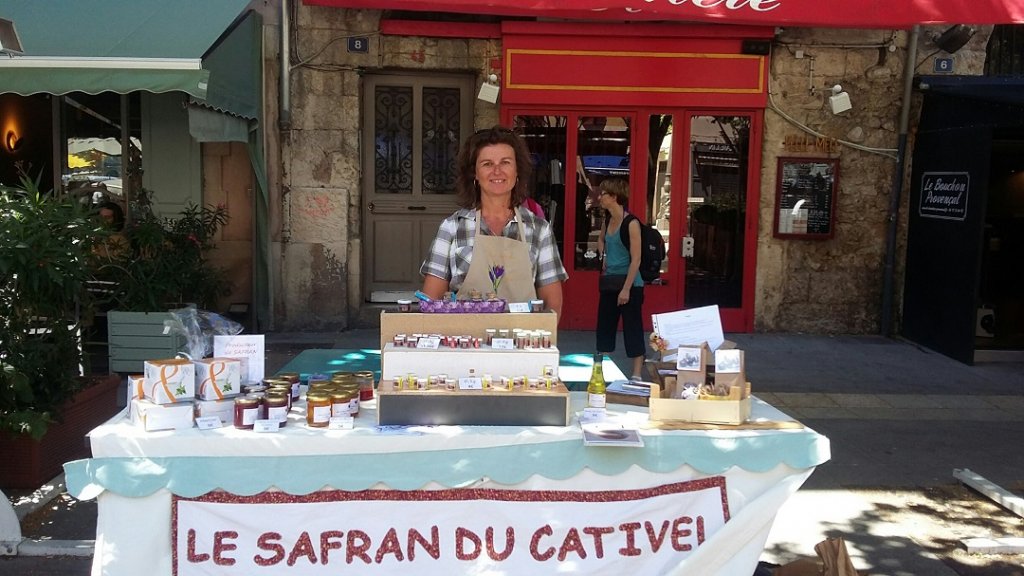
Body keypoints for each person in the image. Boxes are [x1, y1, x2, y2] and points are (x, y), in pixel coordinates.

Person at [420, 126, 568, 317]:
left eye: (505, 162)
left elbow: (552, 303)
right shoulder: (452, 228)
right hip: (465, 341)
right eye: (487, 164)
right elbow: (431, 299)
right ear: (474, 174)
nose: (497, 171)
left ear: (517, 171)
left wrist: (538, 339)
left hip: (521, 341)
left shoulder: (540, 230)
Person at [595, 178, 645, 380]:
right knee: (605, 325)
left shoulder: (631, 223)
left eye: (603, 194)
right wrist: (604, 256)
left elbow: (636, 259)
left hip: (630, 283)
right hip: (610, 281)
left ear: (614, 197)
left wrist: (626, 289)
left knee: (633, 326)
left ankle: (637, 374)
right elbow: (601, 239)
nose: (600, 197)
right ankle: (601, 371)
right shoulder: (607, 220)